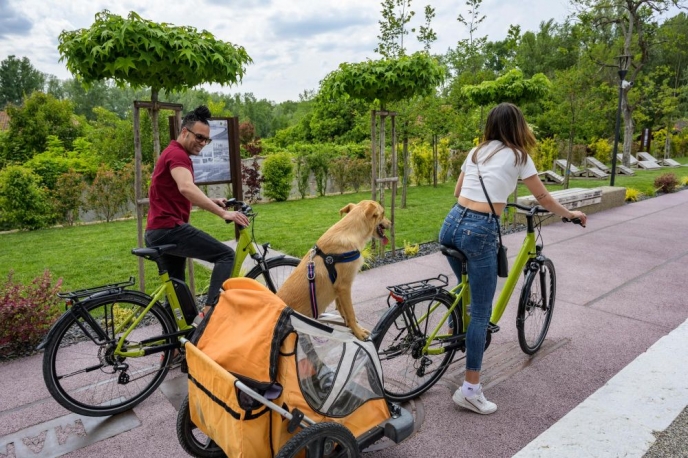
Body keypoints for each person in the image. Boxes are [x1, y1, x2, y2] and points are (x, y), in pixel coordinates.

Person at [439, 102, 587, 415]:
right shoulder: (519, 156)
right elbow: (543, 197)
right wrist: (570, 214)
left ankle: (458, 330)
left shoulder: (477, 152)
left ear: (491, 126)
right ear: (518, 127)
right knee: (481, 311)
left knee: (464, 287)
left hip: (451, 224)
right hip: (480, 229)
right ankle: (470, 391)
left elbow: (457, 191)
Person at [145, 105, 249, 317]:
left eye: (206, 140)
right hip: (169, 229)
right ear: (184, 132)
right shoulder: (178, 155)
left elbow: (178, 192)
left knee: (176, 293)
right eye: (199, 138)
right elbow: (186, 187)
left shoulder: (173, 153)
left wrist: (212, 200)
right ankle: (211, 313)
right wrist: (224, 214)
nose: (202, 143)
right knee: (225, 256)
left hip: (158, 231)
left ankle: (175, 346)